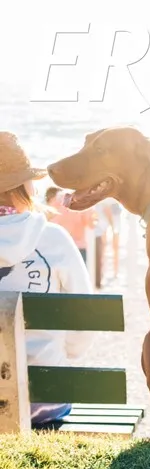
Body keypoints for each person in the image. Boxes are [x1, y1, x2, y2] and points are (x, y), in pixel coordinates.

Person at [0, 131, 94, 424]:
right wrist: (67, 354)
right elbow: (85, 316)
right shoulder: (52, 238)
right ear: (25, 186)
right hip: (45, 399)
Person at [45, 186, 95, 264]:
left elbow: (49, 223)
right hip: (79, 247)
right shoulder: (83, 201)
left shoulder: (57, 200)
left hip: (60, 247)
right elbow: (92, 225)